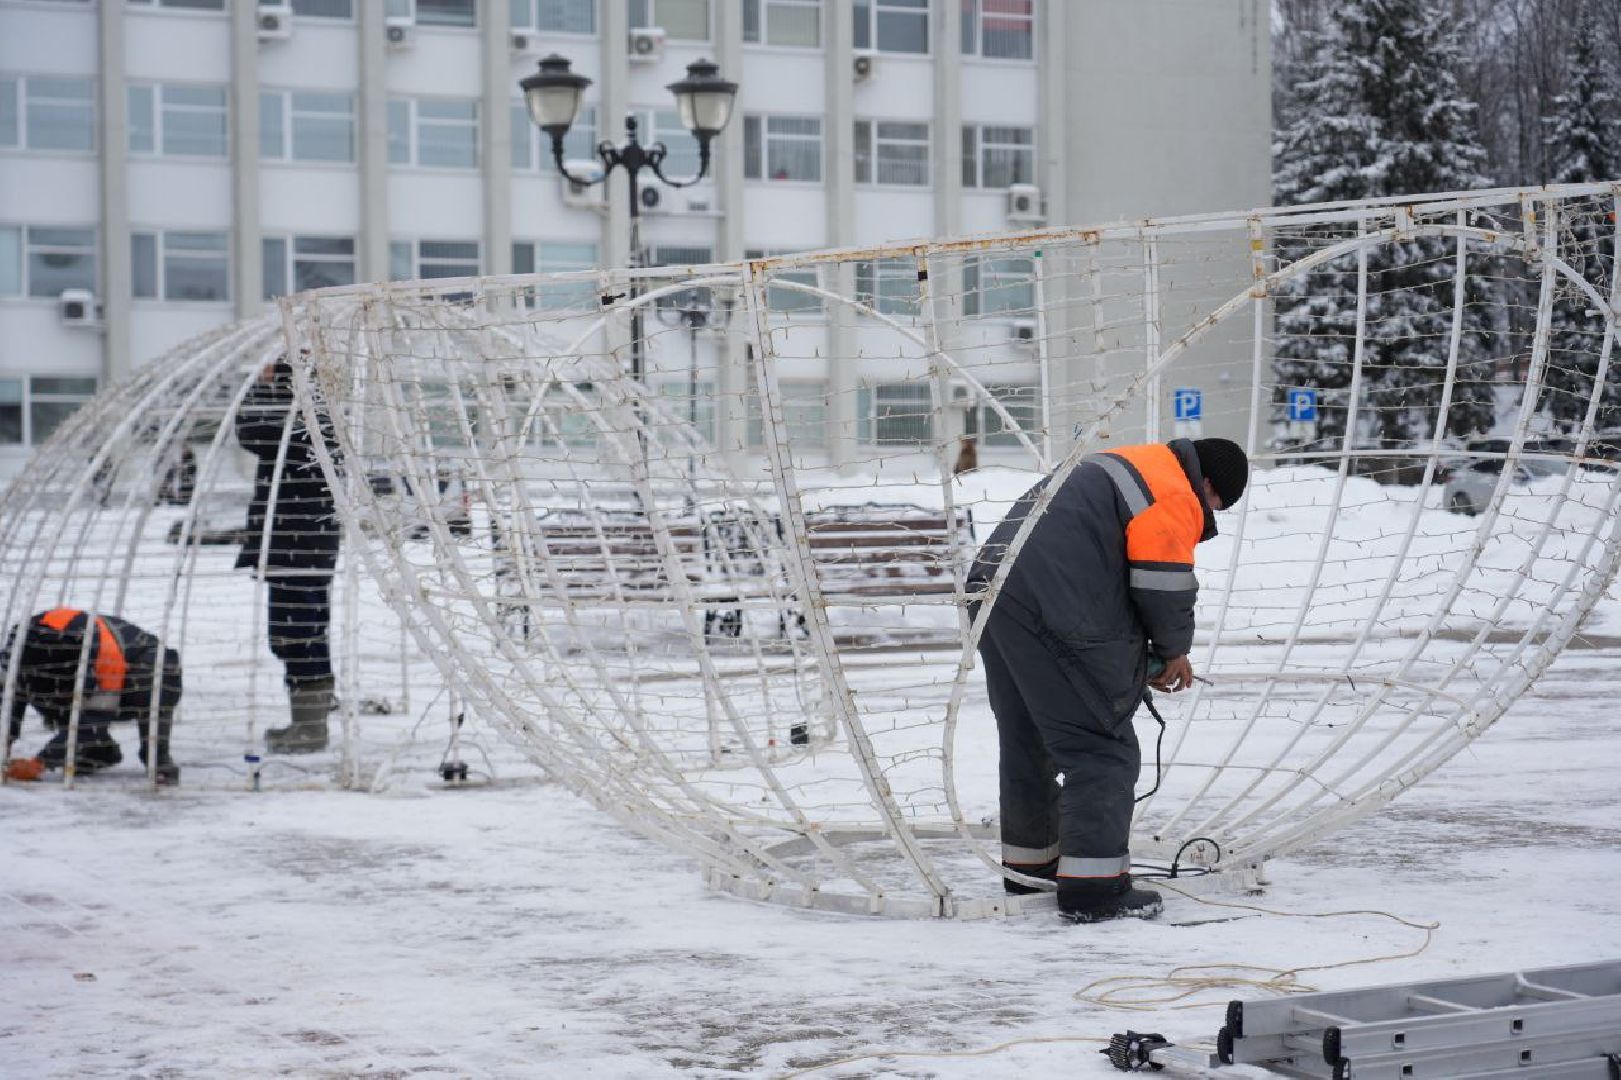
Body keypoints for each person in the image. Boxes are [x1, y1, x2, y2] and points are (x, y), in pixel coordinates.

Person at [968, 437, 1249, 923]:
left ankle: (1028, 868)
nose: (1207, 514)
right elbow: (1162, 584)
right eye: (1215, 505)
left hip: (992, 593)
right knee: (1102, 747)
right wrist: (1172, 652)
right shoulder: (1175, 492)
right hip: (1051, 601)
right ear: (1207, 484)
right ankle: (1094, 890)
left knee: (1029, 740)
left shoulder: (1125, 463)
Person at [235, 356, 341, 754]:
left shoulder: (308, 420)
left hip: (296, 545)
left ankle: (310, 727)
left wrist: (263, 387)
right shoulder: (316, 414)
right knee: (305, 632)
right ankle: (309, 720)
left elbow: (251, 430)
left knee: (296, 634)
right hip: (303, 543)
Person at [2, 608, 182, 783]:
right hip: (66, 666)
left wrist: (39, 763)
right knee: (47, 692)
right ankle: (98, 751)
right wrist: (5, 745)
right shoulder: (19, 651)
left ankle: (158, 759)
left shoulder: (105, 657)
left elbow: (97, 719)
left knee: (150, 686)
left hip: (140, 669)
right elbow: (9, 700)